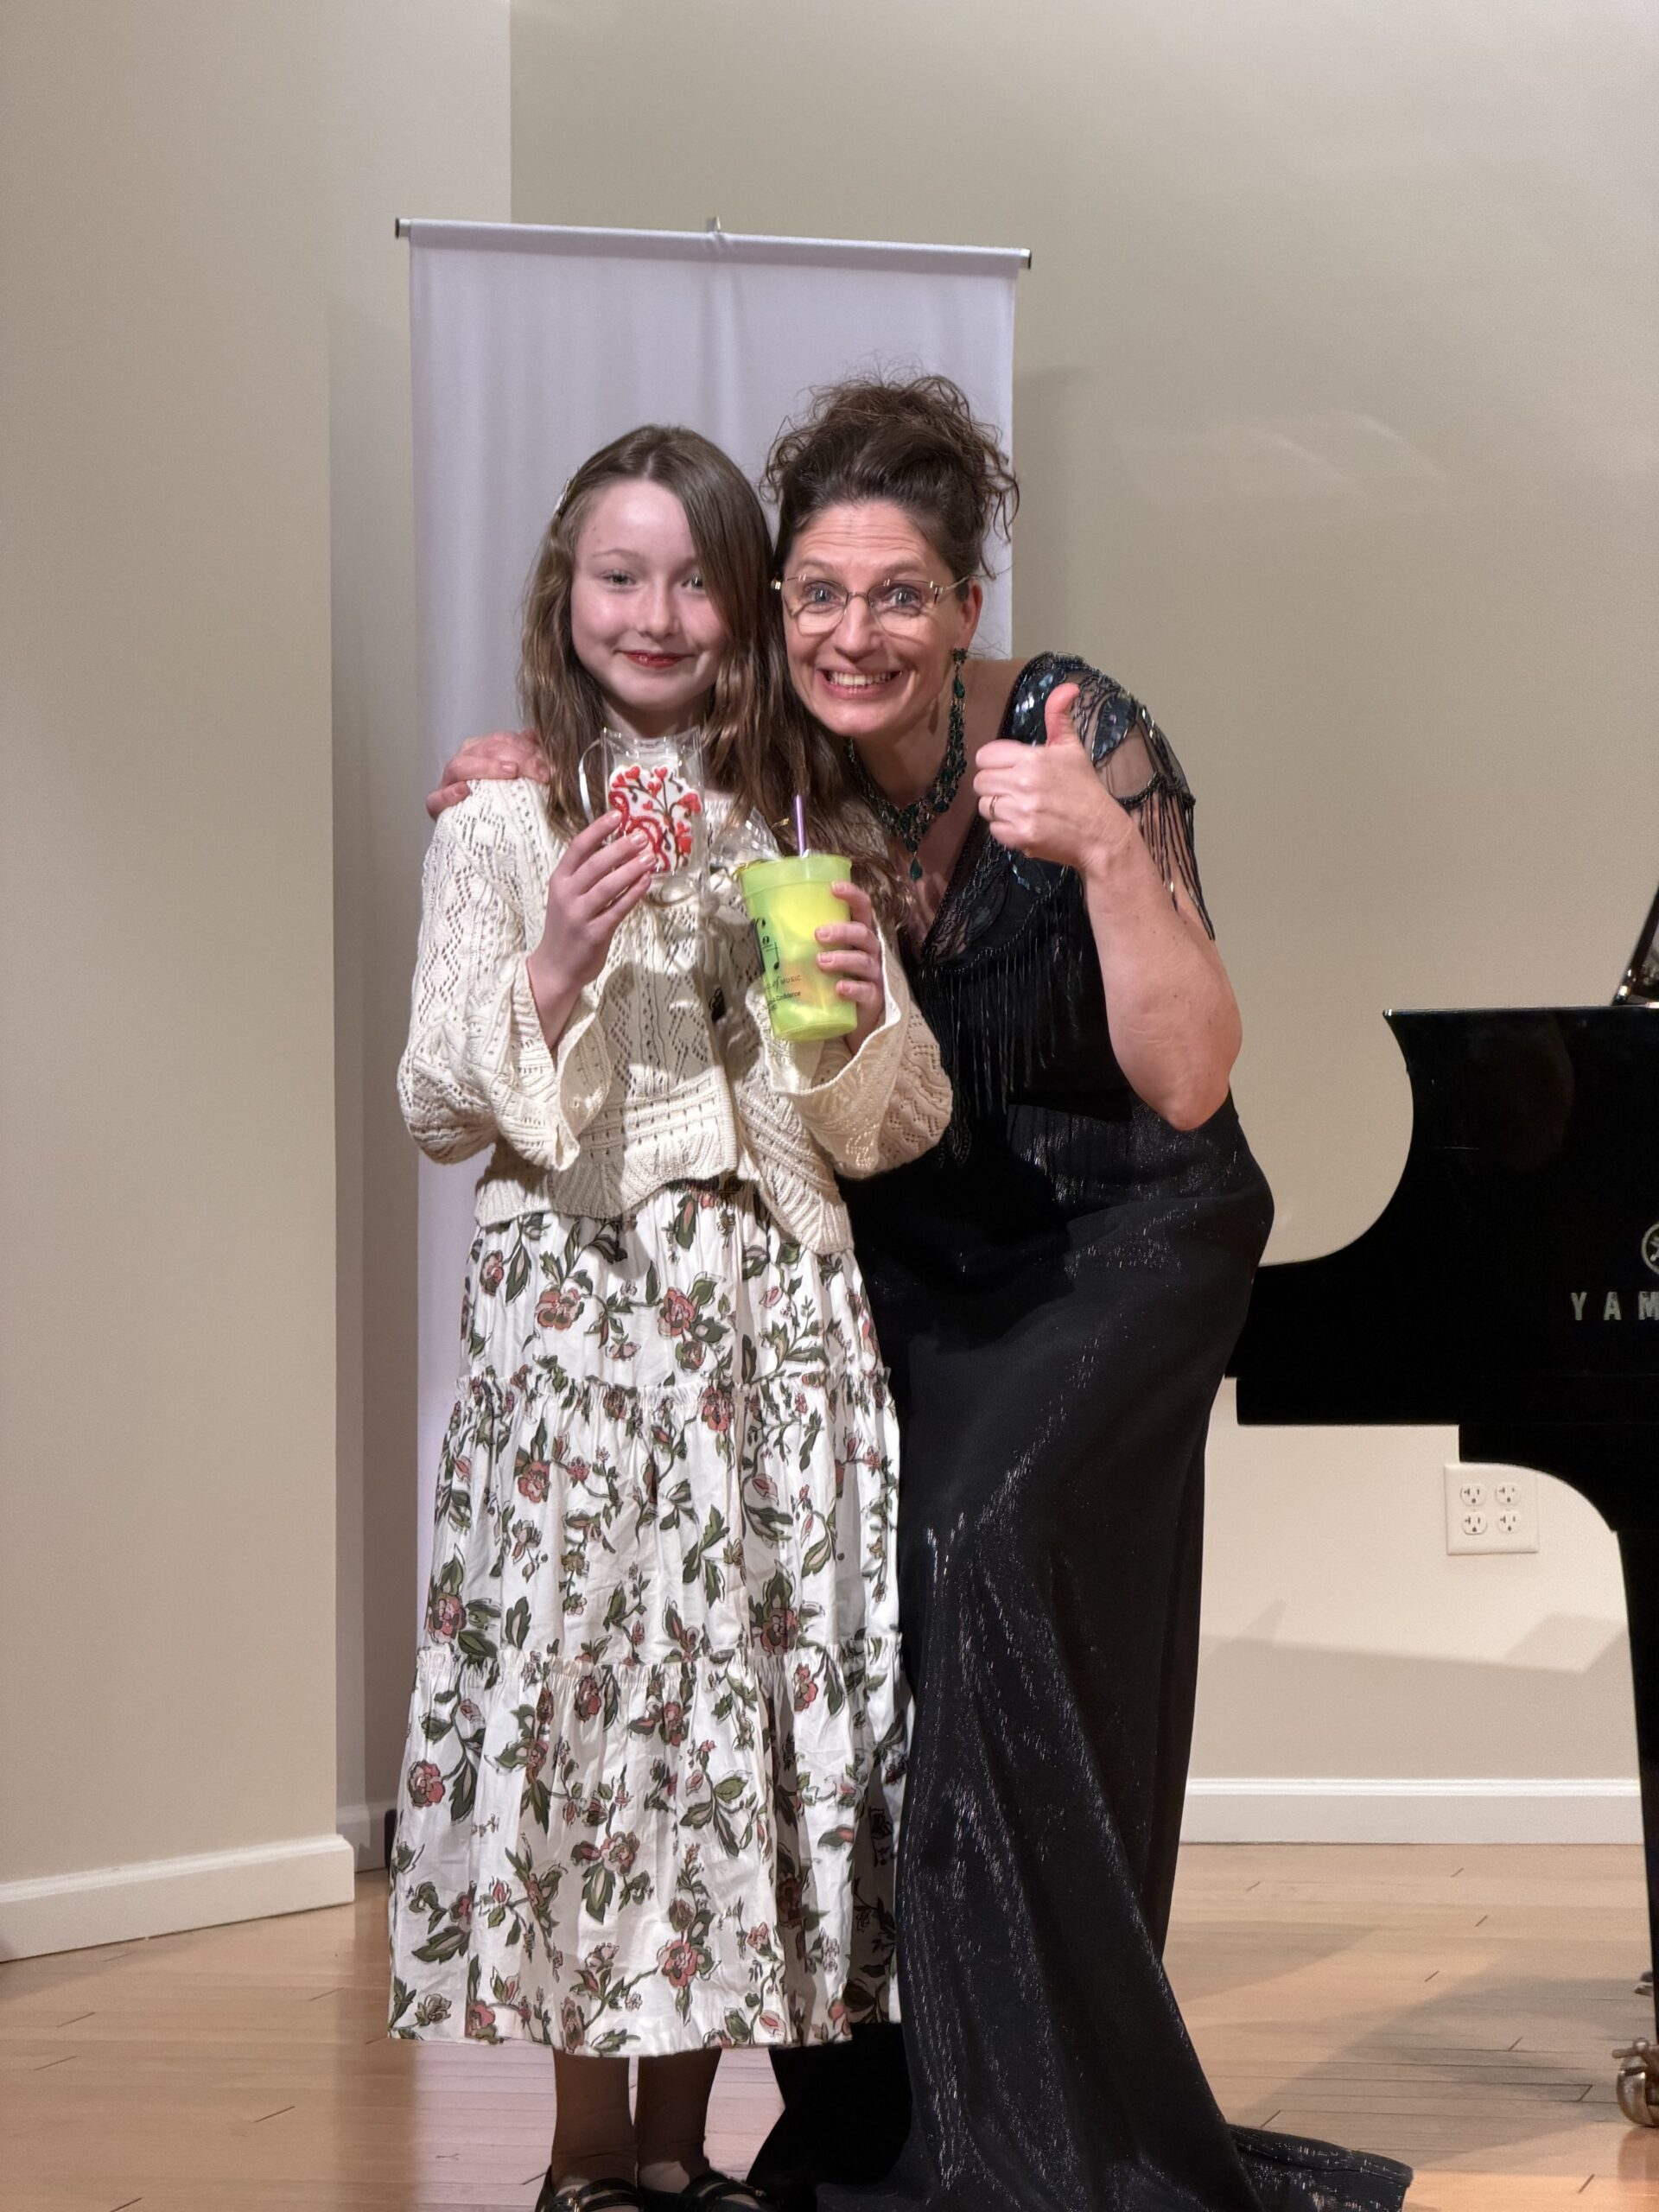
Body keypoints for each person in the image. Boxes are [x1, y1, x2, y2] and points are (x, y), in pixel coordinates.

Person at [431, 379, 1412, 2212]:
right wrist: (521, 775)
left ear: (966, 605)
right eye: (817, 593)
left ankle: (1026, 2132)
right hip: (923, 1250)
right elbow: (697, 928)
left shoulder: (1075, 729)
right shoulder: (769, 784)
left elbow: (1192, 1076)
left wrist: (1103, 847)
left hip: (1126, 1229)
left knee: (980, 1536)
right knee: (849, 1602)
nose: (854, 632)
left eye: (898, 595)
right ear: (774, 605)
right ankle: (888, 2117)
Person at [391, 422, 952, 2212]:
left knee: (730, 1725)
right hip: (580, 1326)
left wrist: (852, 1016)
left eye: (694, 577)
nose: (653, 612)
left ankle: (679, 2150)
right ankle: (584, 2159)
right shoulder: (501, 820)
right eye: (616, 574)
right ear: (564, 595)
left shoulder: (806, 822)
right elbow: (436, 1100)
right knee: (592, 1712)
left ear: (747, 606)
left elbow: (887, 1129)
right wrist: (555, 960)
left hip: (771, 1323)